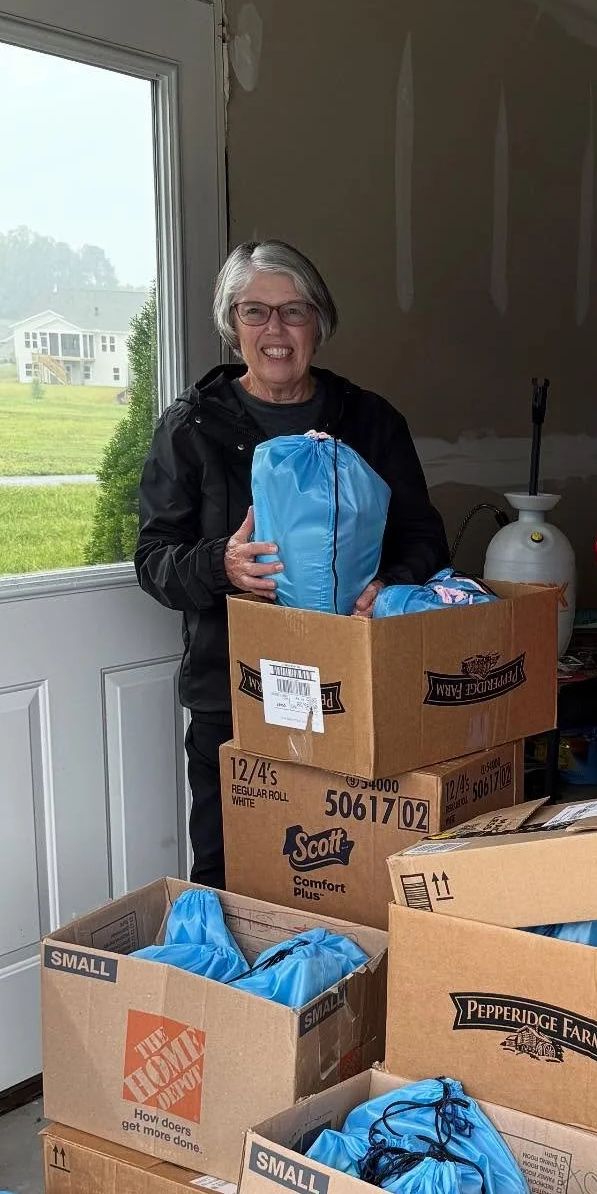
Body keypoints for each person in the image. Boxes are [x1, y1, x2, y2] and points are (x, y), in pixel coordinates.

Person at [135, 240, 448, 884]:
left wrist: (392, 583)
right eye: (255, 312)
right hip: (237, 698)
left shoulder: (368, 420)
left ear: (320, 324)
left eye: (294, 311)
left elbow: (425, 537)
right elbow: (153, 557)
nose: (275, 331)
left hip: (355, 691)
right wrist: (221, 565)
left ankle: (337, 985)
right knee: (233, 872)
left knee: (347, 874)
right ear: (231, 326)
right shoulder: (193, 428)